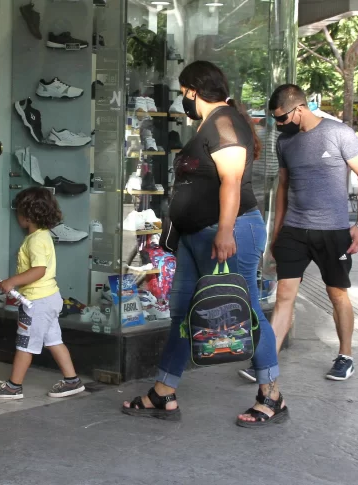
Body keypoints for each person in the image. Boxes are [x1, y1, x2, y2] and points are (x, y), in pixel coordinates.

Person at [122, 61, 288, 427]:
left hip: (227, 233)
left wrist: (225, 231)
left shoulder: (226, 122)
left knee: (246, 312)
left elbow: (231, 181)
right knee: (183, 315)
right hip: (198, 237)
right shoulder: (210, 125)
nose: (183, 99)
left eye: (184, 93)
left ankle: (271, 395)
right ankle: (163, 392)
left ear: (194, 90)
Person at [238, 84, 358, 382]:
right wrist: (277, 231)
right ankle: (267, 363)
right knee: (284, 296)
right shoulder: (285, 141)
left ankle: (345, 356)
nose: (278, 124)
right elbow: (283, 186)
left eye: (281, 118)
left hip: (333, 231)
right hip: (295, 229)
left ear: (300, 108)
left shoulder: (339, 133)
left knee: (337, 294)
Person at [0, 187, 85, 400]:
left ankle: (14, 386)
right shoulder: (44, 236)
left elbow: (38, 270)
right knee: (54, 341)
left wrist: (12, 282)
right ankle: (72, 380)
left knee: (25, 344)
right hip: (50, 299)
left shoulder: (35, 240)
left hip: (36, 303)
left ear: (27, 216)